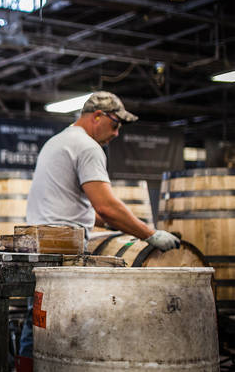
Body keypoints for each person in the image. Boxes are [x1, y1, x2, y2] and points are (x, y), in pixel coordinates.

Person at [18, 91, 181, 358]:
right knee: (60, 329)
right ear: (97, 116)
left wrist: (99, 221)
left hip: (40, 244)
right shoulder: (88, 147)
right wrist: (151, 234)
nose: (117, 133)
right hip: (62, 251)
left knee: (37, 321)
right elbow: (106, 206)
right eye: (115, 125)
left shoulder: (56, 142)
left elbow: (67, 203)